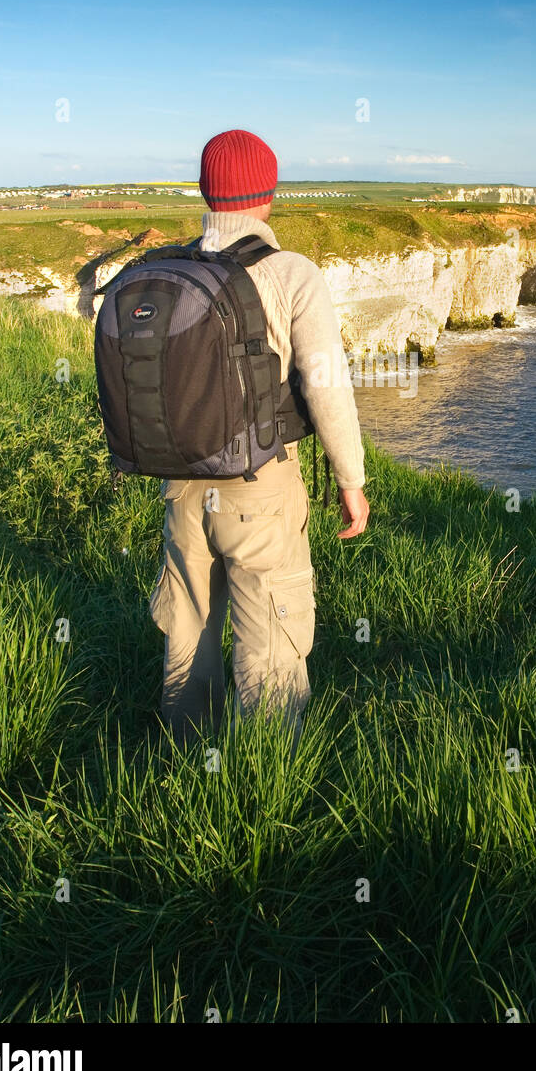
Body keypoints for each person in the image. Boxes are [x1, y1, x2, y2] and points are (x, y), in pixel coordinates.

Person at [148, 128, 369, 746]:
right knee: (270, 634)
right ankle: (265, 781)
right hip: (259, 489)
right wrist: (350, 480)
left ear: (204, 191)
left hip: (182, 487)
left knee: (189, 627)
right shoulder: (292, 273)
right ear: (268, 195)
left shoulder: (171, 269)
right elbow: (326, 387)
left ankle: (185, 758)